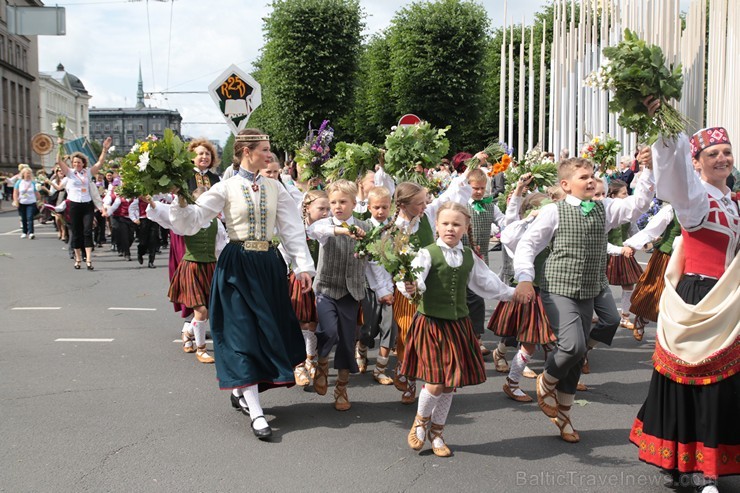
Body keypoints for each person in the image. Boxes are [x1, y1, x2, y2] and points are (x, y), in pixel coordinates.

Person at [168, 128, 315, 440]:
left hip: (268, 266)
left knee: (266, 333)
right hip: (237, 266)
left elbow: (290, 228)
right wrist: (180, 198)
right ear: (247, 151)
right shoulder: (226, 187)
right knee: (241, 334)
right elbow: (192, 219)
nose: (269, 154)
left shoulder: (276, 187)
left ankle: (242, 391)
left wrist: (302, 266)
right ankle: (257, 412)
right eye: (264, 149)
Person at [513, 157, 655, 443]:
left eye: (592, 175)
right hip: (558, 288)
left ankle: (564, 416)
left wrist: (649, 169)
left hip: (588, 288)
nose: (590, 180)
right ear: (565, 185)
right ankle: (547, 379)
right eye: (583, 177)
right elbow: (528, 244)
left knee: (577, 356)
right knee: (573, 345)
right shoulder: (554, 211)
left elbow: (638, 205)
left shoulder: (604, 208)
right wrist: (525, 277)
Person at [630, 124, 739, 492]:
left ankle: (713, 465)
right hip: (700, 296)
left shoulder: (733, 201)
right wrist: (666, 130)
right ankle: (698, 469)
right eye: (713, 154)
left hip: (730, 299)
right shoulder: (696, 200)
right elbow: (675, 181)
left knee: (727, 384)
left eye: (726, 151)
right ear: (697, 162)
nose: (722, 158)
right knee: (700, 381)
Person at [401, 202, 515, 457]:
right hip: (431, 323)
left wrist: (512, 294)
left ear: (465, 228)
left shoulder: (468, 255)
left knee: (450, 384)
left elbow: (487, 283)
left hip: (458, 325)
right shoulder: (427, 253)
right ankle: (421, 420)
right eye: (445, 224)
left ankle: (438, 432)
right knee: (435, 382)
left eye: (456, 224)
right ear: (437, 226)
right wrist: (411, 287)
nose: (450, 229)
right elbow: (414, 279)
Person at [386, 168, 473, 405]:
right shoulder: (392, 228)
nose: (425, 206)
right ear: (403, 205)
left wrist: (470, 170)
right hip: (408, 290)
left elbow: (450, 195)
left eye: (425, 202)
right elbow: (385, 262)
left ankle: (429, 380)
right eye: (419, 203)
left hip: (433, 288)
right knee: (408, 335)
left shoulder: (428, 215)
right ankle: (409, 377)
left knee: (428, 340)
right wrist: (388, 288)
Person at [307, 179, 392, 411]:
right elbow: (314, 230)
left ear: (355, 203)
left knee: (347, 341)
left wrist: (383, 291)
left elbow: (373, 263)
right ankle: (322, 363)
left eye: (342, 202)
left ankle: (342, 388)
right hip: (326, 288)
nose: (337, 206)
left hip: (352, 293)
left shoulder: (366, 227)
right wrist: (341, 230)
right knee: (329, 331)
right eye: (333, 202)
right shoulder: (325, 226)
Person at [145, 187, 228, 363]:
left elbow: (221, 247)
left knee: (209, 309)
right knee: (201, 309)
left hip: (210, 267)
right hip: (191, 267)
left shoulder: (217, 223)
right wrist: (152, 203)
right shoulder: (186, 221)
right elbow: (166, 216)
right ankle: (201, 349)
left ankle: (188, 332)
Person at [356, 186, 397, 385]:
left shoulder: (395, 229)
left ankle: (380, 368)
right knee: (368, 327)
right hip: (368, 286)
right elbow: (369, 264)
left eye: (385, 207)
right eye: (377, 207)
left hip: (390, 286)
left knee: (389, 326)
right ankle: (362, 348)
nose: (381, 211)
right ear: (369, 208)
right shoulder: (365, 228)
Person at [288, 189, 328, 386]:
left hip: (322, 280)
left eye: (327, 209)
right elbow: (286, 253)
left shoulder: (328, 229)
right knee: (302, 323)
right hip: (301, 280)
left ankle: (311, 360)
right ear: (307, 208)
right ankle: (299, 365)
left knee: (314, 323)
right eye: (321, 208)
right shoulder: (297, 229)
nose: (325, 213)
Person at [56, 137, 112, 270]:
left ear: (83, 163)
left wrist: (104, 149)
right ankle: (78, 258)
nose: (77, 164)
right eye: (74, 162)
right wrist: (60, 146)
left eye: (79, 162)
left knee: (87, 231)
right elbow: (58, 161)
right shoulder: (69, 173)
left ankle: (88, 259)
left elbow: (100, 163)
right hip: (74, 205)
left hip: (87, 205)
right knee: (76, 232)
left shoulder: (88, 172)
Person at [605, 179, 644, 329]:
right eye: (624, 193)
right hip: (607, 253)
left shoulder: (627, 214)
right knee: (599, 286)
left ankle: (625, 316)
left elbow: (633, 230)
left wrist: (645, 241)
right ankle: (597, 314)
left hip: (624, 253)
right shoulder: (607, 212)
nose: (627, 196)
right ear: (613, 195)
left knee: (628, 284)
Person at [12, 168, 41, 239]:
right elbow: (15, 192)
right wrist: (16, 201)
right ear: (23, 174)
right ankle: (24, 232)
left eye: (29, 173)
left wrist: (39, 200)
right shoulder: (19, 182)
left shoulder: (33, 183)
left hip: (31, 202)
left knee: (30, 217)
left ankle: (31, 232)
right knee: (23, 218)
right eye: (27, 173)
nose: (28, 175)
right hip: (22, 202)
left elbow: (36, 193)